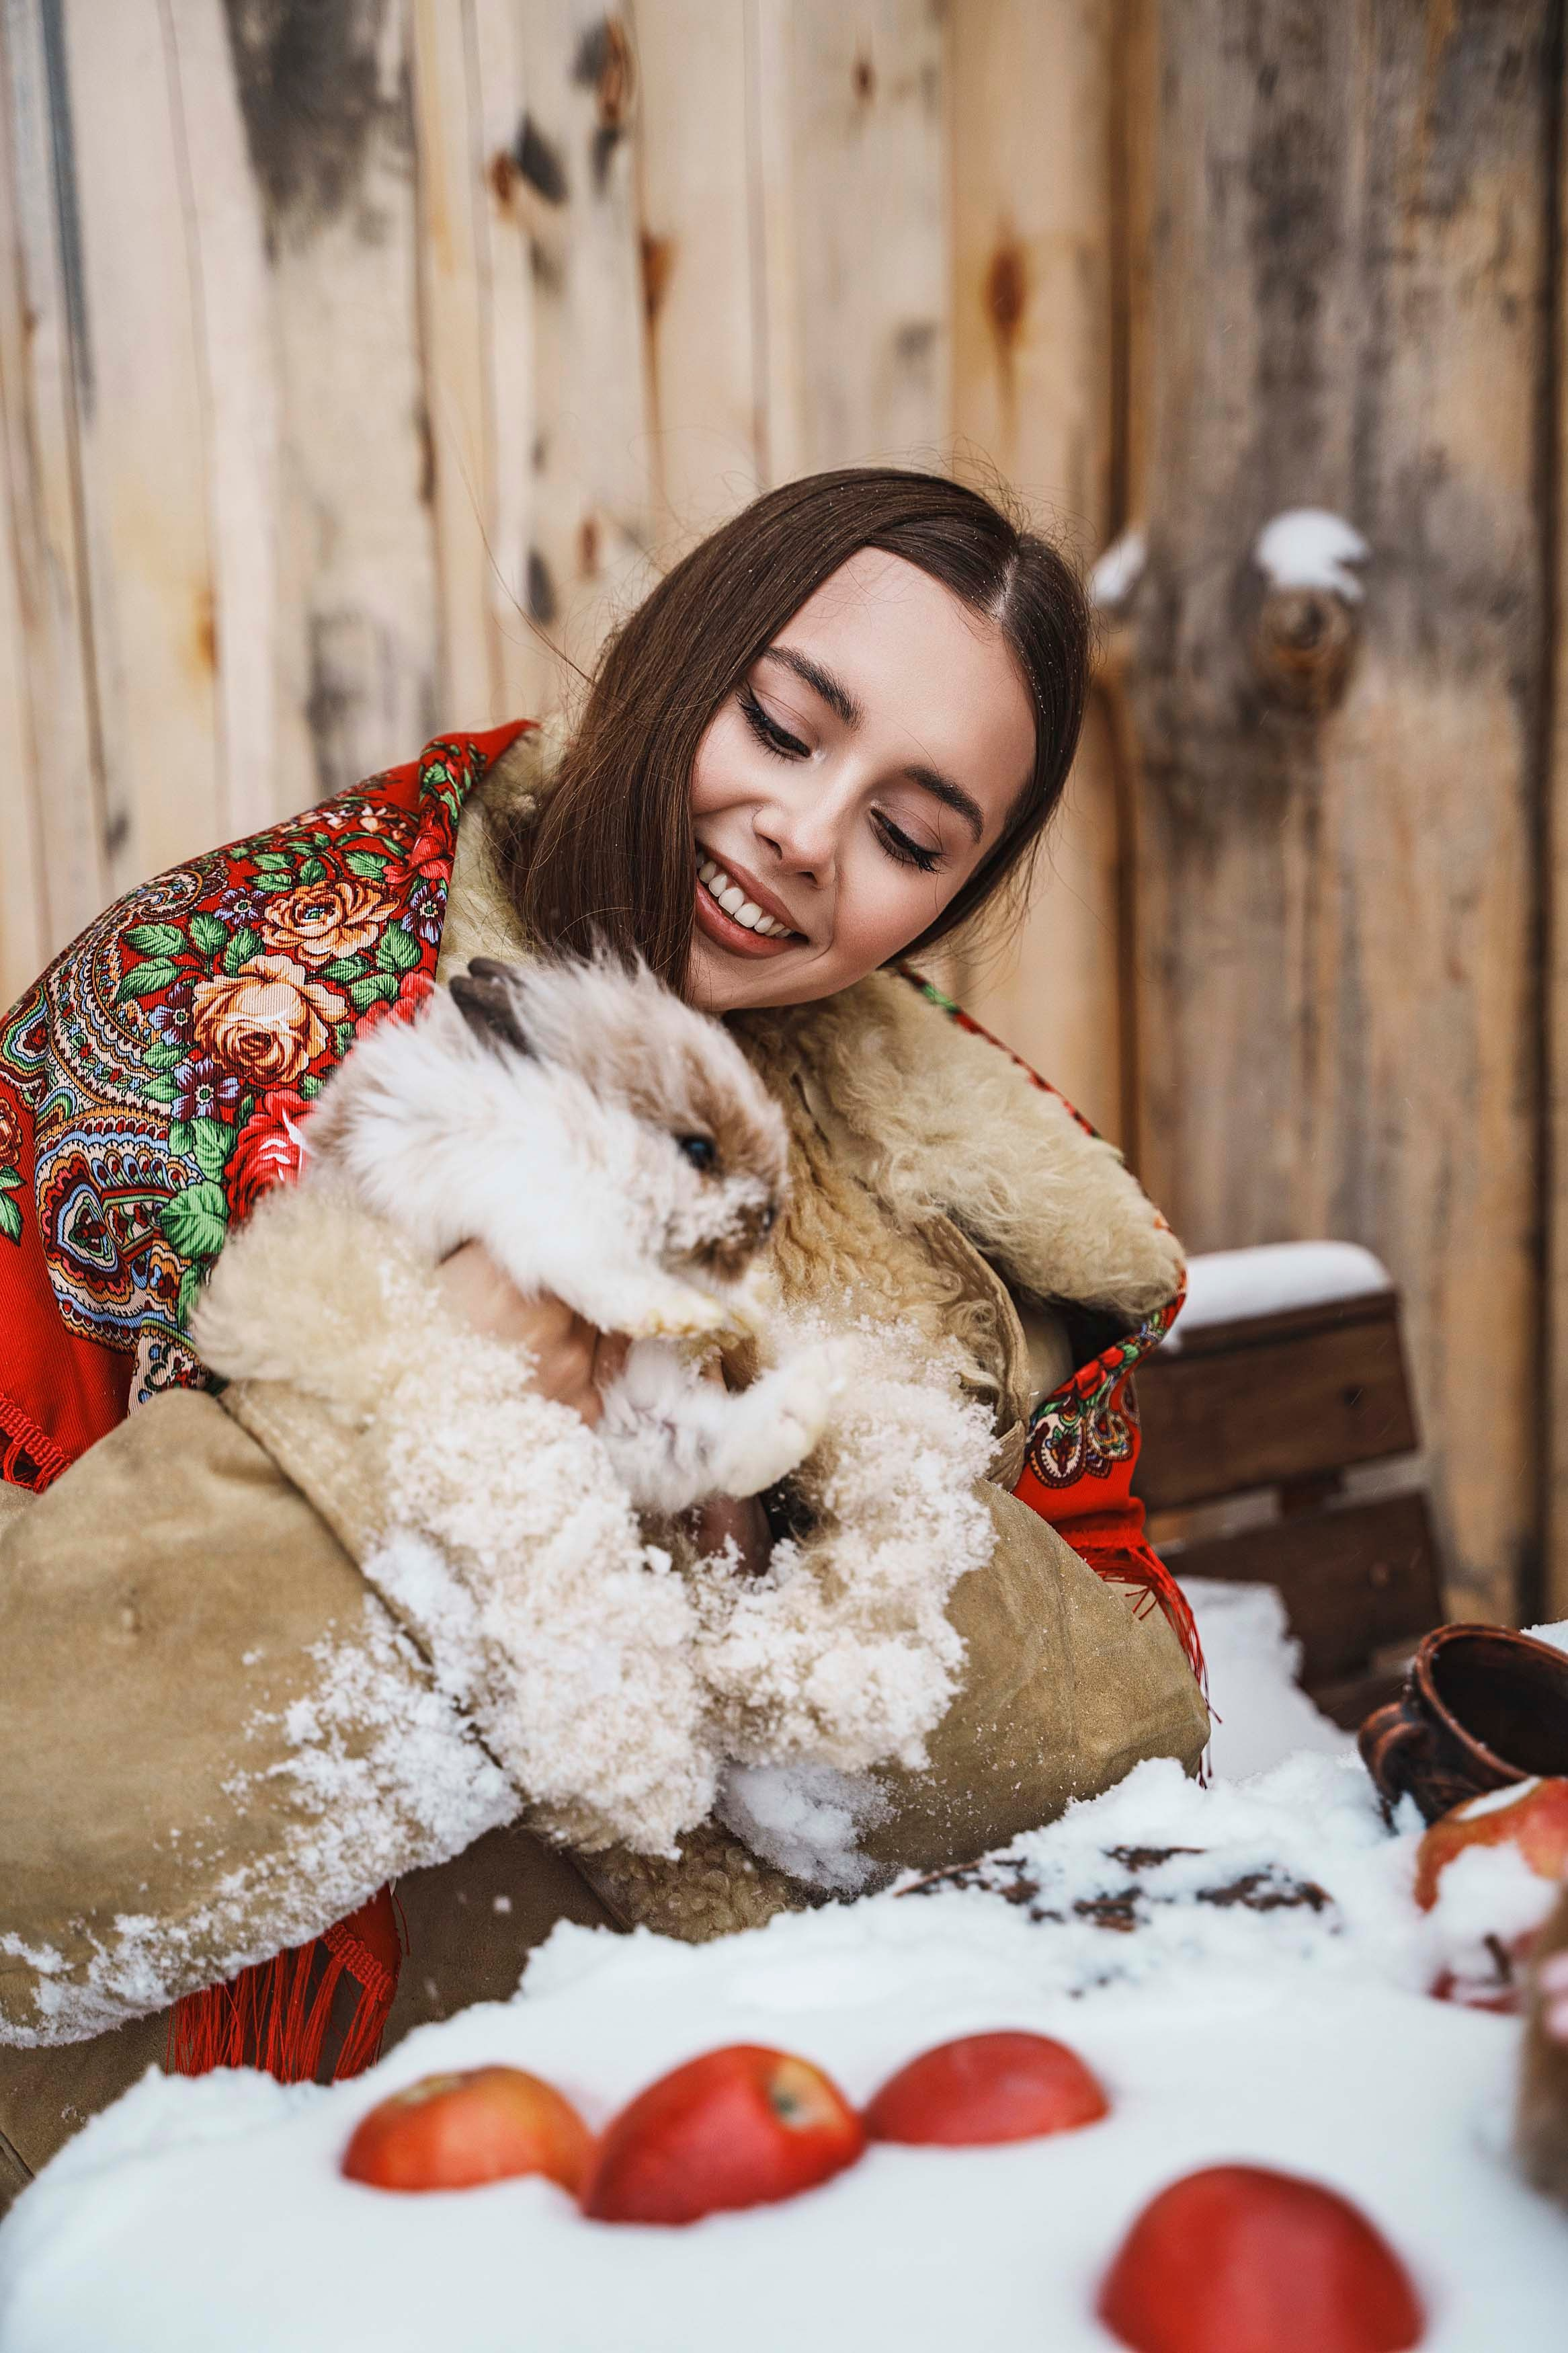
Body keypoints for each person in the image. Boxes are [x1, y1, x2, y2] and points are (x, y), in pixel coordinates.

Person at [0, 467, 1206, 2206]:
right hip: (233, 2164)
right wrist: (426, 1410)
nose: (808, 831)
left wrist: (798, 1492)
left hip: (761, 2131)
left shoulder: (971, 1220)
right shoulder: (202, 1018)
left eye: (911, 834)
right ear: (670, 648)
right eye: (787, 727)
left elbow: (1133, 1715)